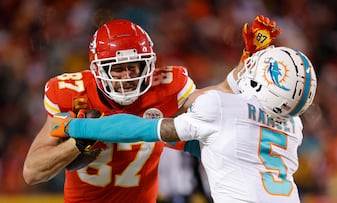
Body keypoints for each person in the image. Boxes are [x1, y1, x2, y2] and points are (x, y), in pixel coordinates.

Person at [23, 15, 280, 202]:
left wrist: (247, 62)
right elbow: (32, 172)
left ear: (148, 65)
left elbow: (220, 95)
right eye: (118, 68)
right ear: (98, 70)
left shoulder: (166, 88)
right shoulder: (73, 94)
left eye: (134, 66)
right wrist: (77, 143)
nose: (127, 76)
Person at [51, 45, 318, 203]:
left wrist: (75, 128)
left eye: (254, 67)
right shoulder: (294, 127)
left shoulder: (220, 107)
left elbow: (143, 128)